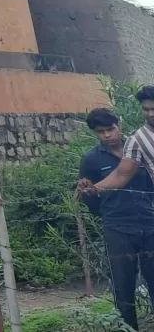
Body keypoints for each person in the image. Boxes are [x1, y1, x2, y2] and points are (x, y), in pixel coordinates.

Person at [78, 106, 154, 331]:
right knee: (123, 286)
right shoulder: (91, 159)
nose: (107, 135)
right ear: (95, 133)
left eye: (110, 129)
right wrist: (108, 214)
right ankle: (129, 329)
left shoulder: (141, 147)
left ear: (119, 124)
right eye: (101, 132)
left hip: (150, 225)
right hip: (118, 229)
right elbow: (90, 196)